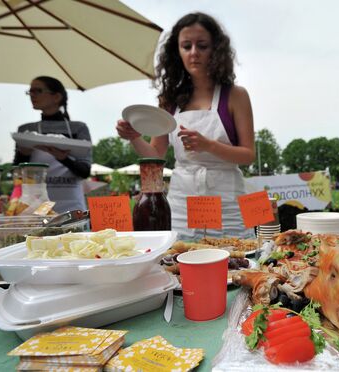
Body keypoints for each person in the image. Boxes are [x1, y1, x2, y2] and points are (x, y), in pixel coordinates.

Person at [116, 12, 255, 240]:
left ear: (216, 49)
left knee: (235, 262)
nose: (194, 53)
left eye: (202, 46)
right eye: (186, 46)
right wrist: (134, 137)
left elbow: (248, 155)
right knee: (179, 261)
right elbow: (156, 155)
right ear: (176, 51)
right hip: (182, 202)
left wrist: (208, 145)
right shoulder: (168, 100)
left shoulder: (235, 96)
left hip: (227, 202)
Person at [13, 76, 91, 213]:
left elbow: (84, 171)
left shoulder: (78, 128)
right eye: (30, 91)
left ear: (56, 97)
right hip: (35, 207)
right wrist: (23, 154)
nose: (32, 95)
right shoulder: (25, 130)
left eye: (37, 91)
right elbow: (17, 173)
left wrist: (63, 159)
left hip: (72, 208)